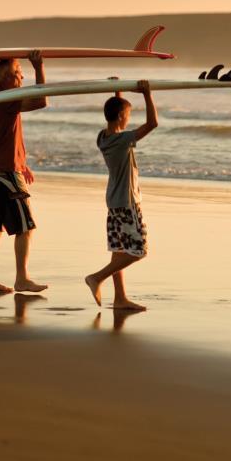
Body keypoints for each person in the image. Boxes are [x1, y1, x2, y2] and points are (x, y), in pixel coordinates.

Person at [0, 50, 49, 293]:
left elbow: (6, 137)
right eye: (19, 73)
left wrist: (22, 163)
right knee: (25, 228)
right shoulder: (7, 98)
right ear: (8, 78)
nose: (22, 77)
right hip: (7, 175)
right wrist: (39, 67)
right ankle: (22, 278)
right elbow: (42, 100)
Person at [85, 80, 158, 310]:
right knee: (139, 251)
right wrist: (147, 93)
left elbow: (115, 113)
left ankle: (120, 298)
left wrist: (118, 91)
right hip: (127, 202)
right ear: (119, 117)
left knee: (119, 250)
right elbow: (152, 123)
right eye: (127, 114)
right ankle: (97, 278)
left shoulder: (103, 138)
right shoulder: (122, 140)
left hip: (113, 201)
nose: (129, 118)